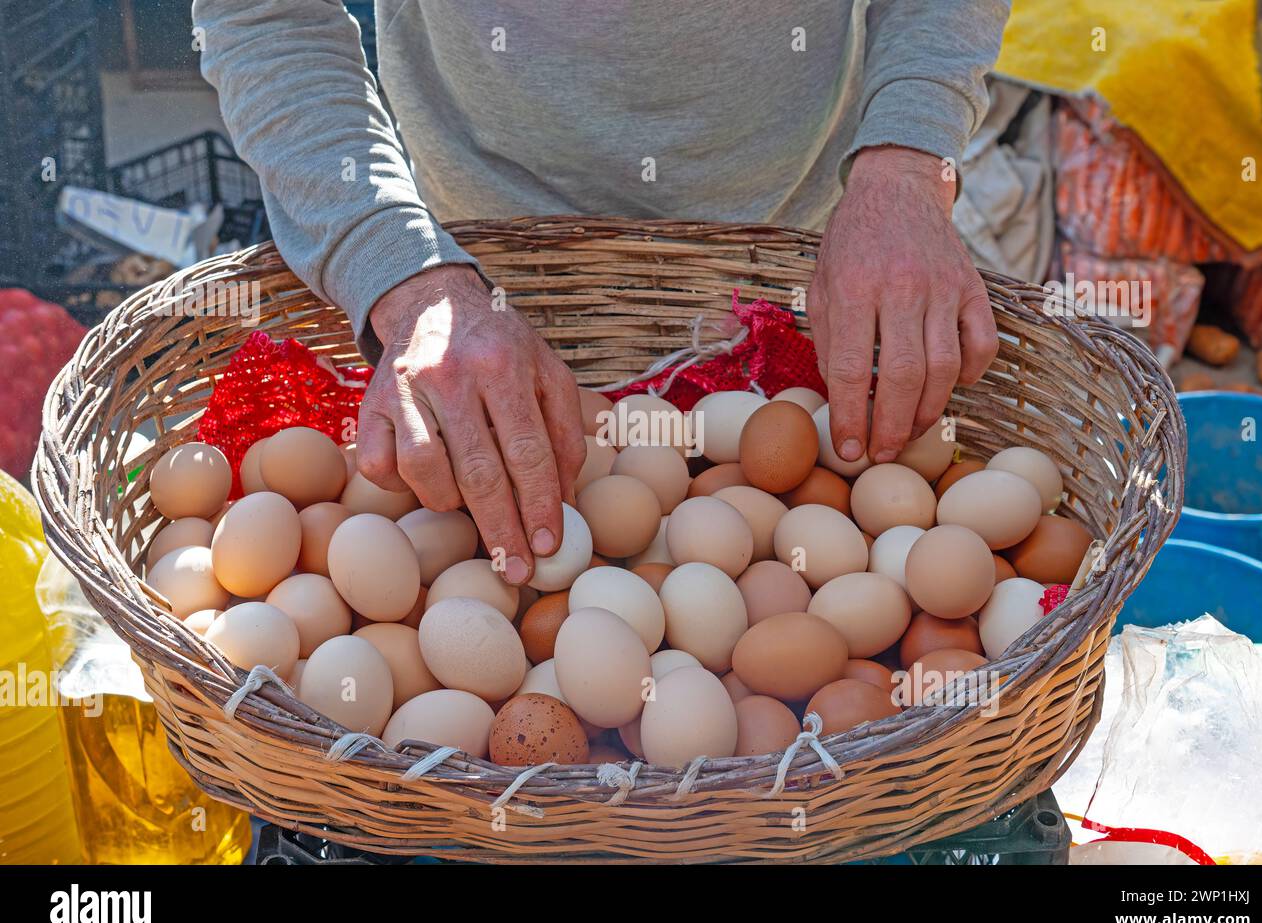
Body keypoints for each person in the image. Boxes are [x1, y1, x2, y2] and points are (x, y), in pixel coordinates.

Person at [195, 0, 1010, 585]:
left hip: (807, 283)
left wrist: (907, 160)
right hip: (474, 283)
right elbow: (264, 13)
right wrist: (402, 278)